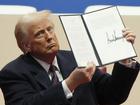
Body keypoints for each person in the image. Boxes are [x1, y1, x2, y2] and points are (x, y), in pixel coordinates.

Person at [0, 10, 139, 105]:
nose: (49, 36)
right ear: (26, 46)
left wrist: (124, 58)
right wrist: (69, 84)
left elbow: (113, 96)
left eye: (50, 29)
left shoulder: (75, 58)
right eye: (40, 34)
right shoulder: (13, 73)